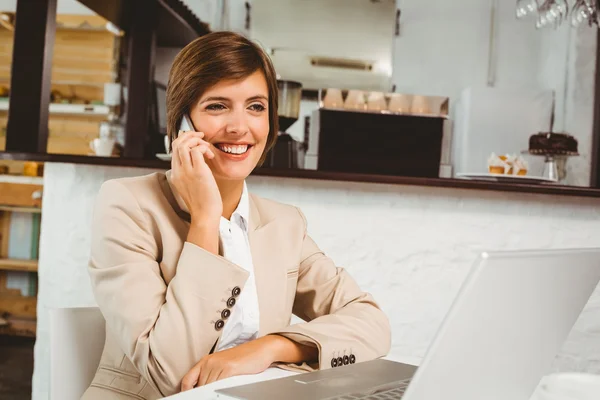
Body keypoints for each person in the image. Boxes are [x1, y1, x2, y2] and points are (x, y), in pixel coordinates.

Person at [82, 31, 390, 400]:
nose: (239, 127)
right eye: (217, 106)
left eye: (256, 107)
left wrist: (269, 348)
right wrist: (205, 218)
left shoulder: (284, 223)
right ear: (182, 121)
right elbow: (169, 375)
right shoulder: (127, 205)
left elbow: (372, 323)